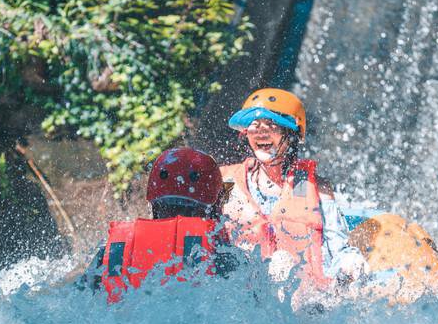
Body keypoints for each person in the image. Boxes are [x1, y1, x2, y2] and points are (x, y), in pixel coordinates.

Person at [219, 88, 368, 308]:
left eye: (272, 125)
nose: (261, 132)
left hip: (302, 300)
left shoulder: (317, 187)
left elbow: (337, 249)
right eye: (254, 126)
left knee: (289, 264)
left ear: (291, 134)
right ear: (245, 134)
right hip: (239, 298)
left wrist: (348, 267)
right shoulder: (225, 182)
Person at [85, 147, 231, 303]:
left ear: (153, 204)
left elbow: (79, 299)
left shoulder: (111, 250)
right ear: (215, 205)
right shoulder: (220, 253)